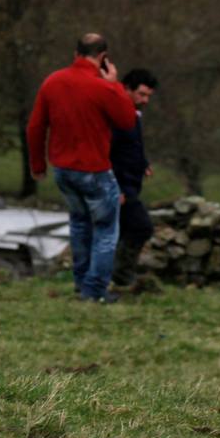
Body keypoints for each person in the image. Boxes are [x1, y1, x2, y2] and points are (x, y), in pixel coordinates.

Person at [26, 33, 137, 303]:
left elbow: (36, 127)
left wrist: (38, 164)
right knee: (105, 230)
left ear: (76, 54)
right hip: (94, 170)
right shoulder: (101, 87)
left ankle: (80, 282)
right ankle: (95, 290)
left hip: (63, 169)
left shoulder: (53, 82)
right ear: (103, 58)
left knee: (78, 225)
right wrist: (115, 85)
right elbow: (127, 120)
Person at [110, 68, 159, 290]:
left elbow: (130, 146)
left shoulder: (132, 113)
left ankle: (113, 277)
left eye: (148, 96)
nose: (145, 100)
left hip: (128, 183)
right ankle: (121, 276)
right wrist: (115, 187)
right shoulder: (117, 113)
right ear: (126, 89)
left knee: (121, 231)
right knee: (141, 227)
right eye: (141, 94)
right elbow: (110, 151)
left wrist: (143, 163)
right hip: (120, 186)